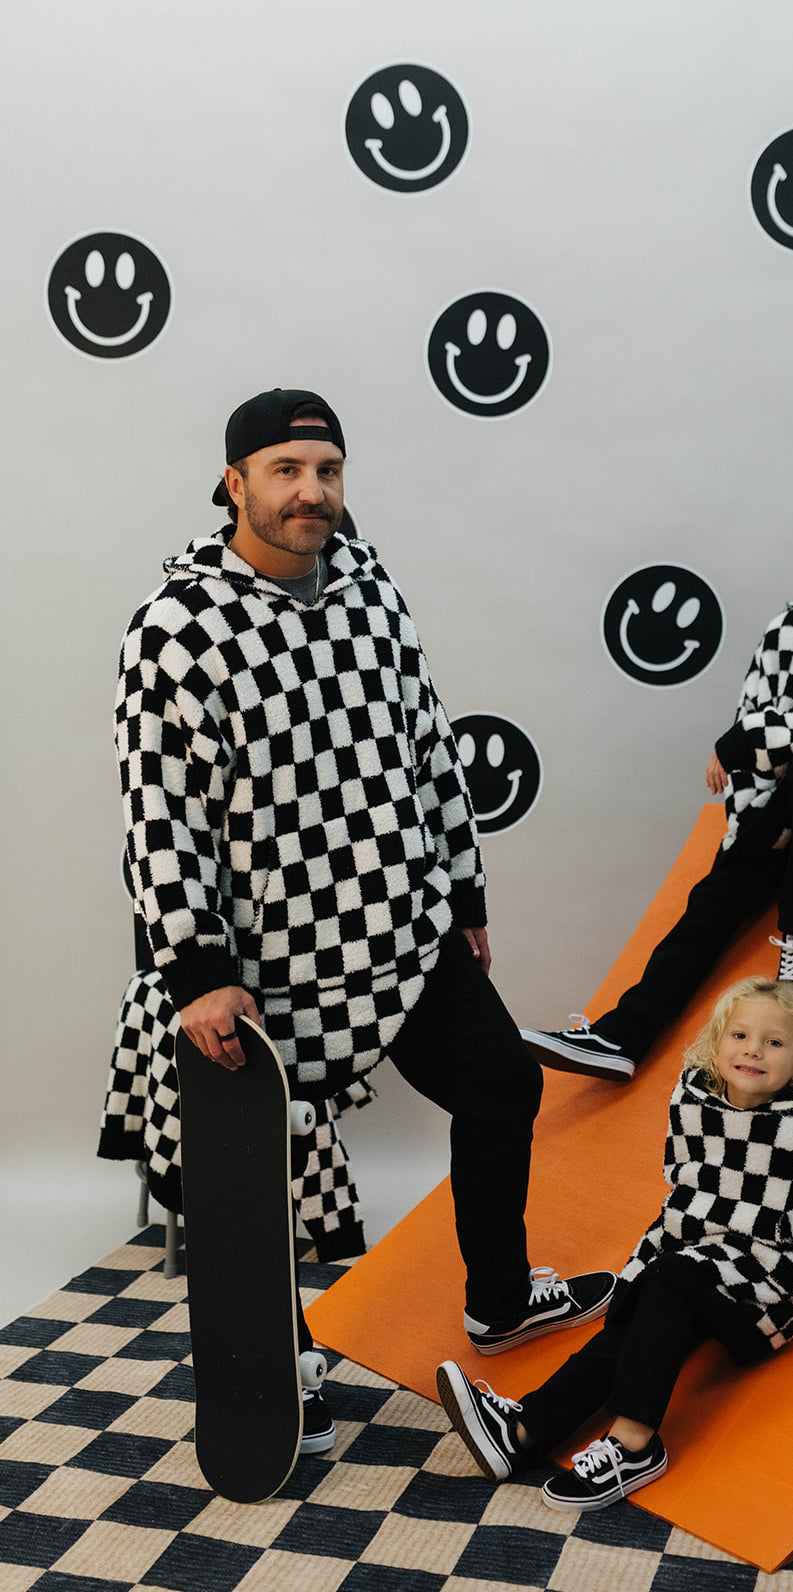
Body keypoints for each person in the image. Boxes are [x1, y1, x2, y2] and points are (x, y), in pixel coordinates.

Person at [115, 387, 614, 1455]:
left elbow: (425, 734)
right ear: (233, 481)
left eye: (327, 470)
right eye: (287, 470)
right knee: (275, 1167)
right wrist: (196, 966)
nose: (311, 492)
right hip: (274, 955)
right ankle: (277, 1358)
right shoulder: (175, 627)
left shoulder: (368, 581)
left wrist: (463, 890)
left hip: (401, 923)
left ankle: (495, 1299)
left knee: (503, 1084)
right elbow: (158, 815)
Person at [438, 977, 793, 1511]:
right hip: (700, 1263)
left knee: (671, 1277)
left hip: (769, 1290)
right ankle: (525, 1432)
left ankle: (635, 1443)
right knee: (645, 1300)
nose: (753, 1049)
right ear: (715, 1045)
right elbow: (688, 1197)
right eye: (739, 1035)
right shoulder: (694, 1106)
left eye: (775, 1042)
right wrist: (636, 1277)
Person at [522, 487, 793, 1081]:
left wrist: (760, 738)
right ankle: (621, 1037)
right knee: (717, 895)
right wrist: (747, 835)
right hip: (790, 810)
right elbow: (747, 745)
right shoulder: (787, 627)